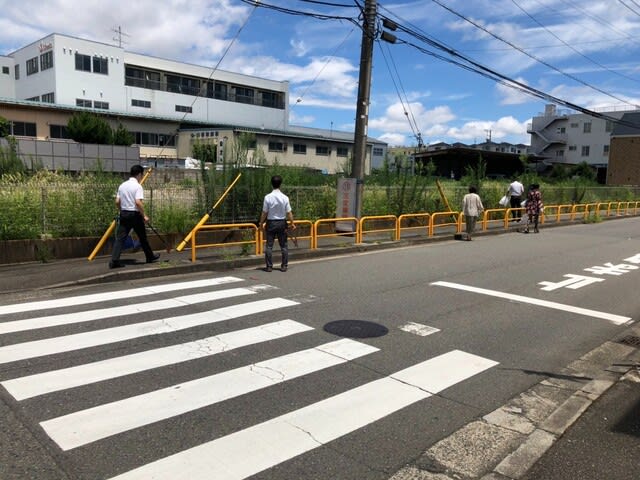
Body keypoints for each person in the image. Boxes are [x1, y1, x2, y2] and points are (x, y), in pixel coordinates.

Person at [109, 164, 160, 269]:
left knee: (120, 239)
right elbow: (138, 202)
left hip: (124, 214)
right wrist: (144, 215)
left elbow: (117, 201)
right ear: (139, 174)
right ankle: (150, 257)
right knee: (142, 237)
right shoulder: (137, 186)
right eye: (142, 175)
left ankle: (114, 261)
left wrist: (121, 210)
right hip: (135, 215)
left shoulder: (122, 185)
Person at [259, 175, 295, 272]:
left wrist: (261, 223)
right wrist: (292, 223)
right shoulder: (285, 198)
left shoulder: (267, 197)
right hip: (282, 223)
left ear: (272, 184)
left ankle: (269, 266)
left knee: (269, 246)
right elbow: (289, 212)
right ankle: (284, 266)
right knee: (283, 245)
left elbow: (264, 212)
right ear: (280, 184)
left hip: (271, 223)